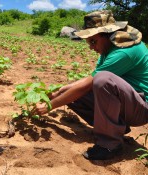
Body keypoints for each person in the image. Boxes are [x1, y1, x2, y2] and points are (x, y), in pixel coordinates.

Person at [34, 10, 148, 160]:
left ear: (108, 34)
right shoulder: (109, 47)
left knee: (102, 81)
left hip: (141, 108)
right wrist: (59, 91)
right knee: (74, 93)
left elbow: (93, 82)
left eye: (93, 41)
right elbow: (87, 80)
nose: (91, 47)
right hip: (129, 103)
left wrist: (50, 105)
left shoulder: (124, 51)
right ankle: (117, 127)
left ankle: (110, 145)